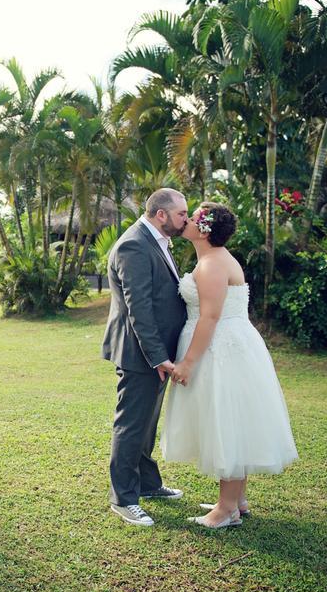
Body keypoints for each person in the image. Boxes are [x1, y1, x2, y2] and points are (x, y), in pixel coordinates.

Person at [163, 202, 298, 529]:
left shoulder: (211, 264)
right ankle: (237, 500)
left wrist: (187, 363)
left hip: (219, 349)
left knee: (225, 420)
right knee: (235, 419)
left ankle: (226, 510)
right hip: (233, 344)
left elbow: (210, 316)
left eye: (193, 217)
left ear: (205, 228)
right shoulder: (215, 259)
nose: (187, 220)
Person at [102, 188, 188, 526]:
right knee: (131, 424)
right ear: (162, 215)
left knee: (147, 424)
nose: (187, 219)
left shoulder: (158, 241)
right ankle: (123, 498)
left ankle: (148, 484)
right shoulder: (133, 244)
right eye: (182, 213)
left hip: (157, 353)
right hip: (140, 353)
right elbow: (140, 308)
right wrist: (157, 357)